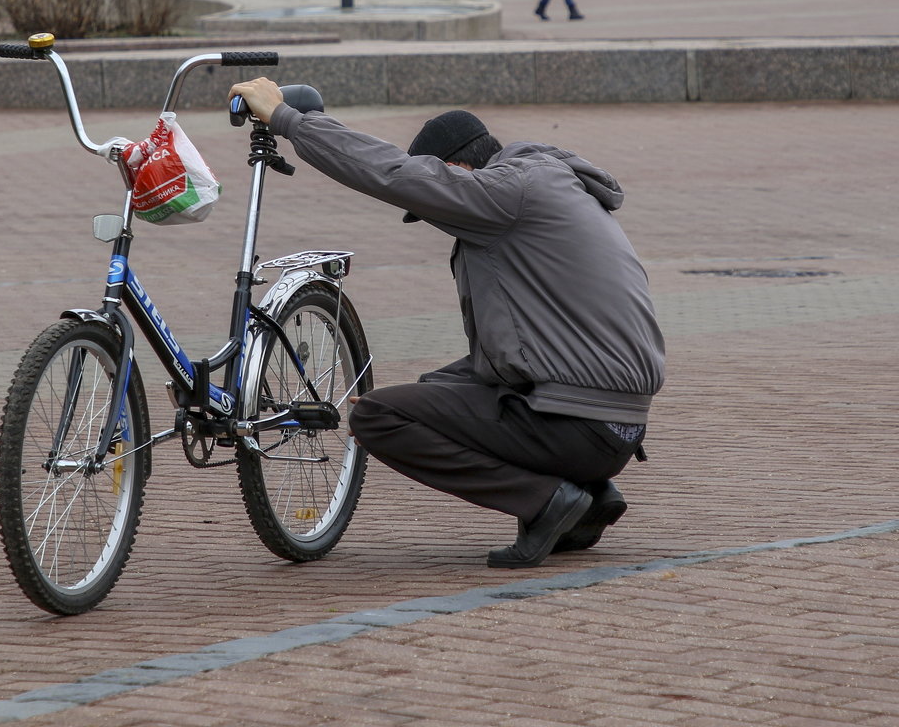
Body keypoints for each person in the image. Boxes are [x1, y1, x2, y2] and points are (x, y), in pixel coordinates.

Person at [226, 79, 666, 569]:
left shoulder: (505, 193)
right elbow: (519, 350)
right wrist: (430, 390)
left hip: (577, 424)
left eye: (432, 209)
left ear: (455, 171)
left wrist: (289, 120)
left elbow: (389, 172)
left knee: (377, 418)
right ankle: (588, 494)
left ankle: (548, 500)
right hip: (615, 428)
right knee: (422, 398)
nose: (436, 221)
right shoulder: (550, 190)